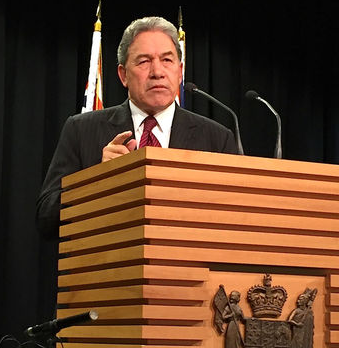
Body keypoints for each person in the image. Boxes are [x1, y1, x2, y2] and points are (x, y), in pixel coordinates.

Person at [36, 16, 238, 238]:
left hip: (188, 270)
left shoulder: (217, 139)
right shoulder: (81, 130)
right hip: (108, 268)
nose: (157, 72)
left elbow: (237, 221)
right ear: (123, 75)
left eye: (167, 60)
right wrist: (97, 180)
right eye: (144, 61)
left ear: (180, 71)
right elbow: (46, 219)